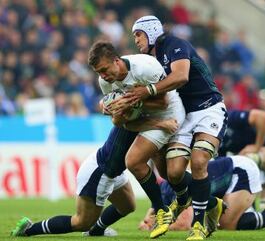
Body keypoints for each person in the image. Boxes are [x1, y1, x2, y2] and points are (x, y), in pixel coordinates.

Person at [111, 15, 227, 240]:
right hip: (183, 115)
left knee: (199, 160)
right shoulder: (149, 61)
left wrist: (148, 91)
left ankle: (198, 226)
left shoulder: (175, 44)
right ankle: (209, 203)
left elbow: (181, 76)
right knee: (171, 173)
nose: (136, 40)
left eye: (138, 34)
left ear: (152, 31)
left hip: (208, 109)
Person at [10, 117, 178, 237]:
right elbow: (127, 120)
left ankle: (96, 231)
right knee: (81, 222)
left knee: (128, 205)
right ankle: (30, 228)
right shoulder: (136, 110)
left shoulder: (146, 107)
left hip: (113, 170)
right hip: (100, 171)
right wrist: (162, 124)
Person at [88, 41, 187, 239]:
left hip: (168, 113)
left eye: (105, 70)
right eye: (99, 72)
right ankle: (208, 200)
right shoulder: (105, 83)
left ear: (116, 61)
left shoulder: (145, 67)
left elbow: (162, 102)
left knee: (133, 161)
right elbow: (120, 123)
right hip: (147, 119)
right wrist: (114, 110)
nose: (103, 76)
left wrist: (131, 100)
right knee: (169, 174)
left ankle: (161, 211)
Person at [139, 155, 265, 232]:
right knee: (222, 223)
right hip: (227, 176)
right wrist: (147, 222)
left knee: (226, 224)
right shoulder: (166, 186)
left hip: (240, 170)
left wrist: (155, 226)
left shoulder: (182, 185)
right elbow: (151, 214)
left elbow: (185, 224)